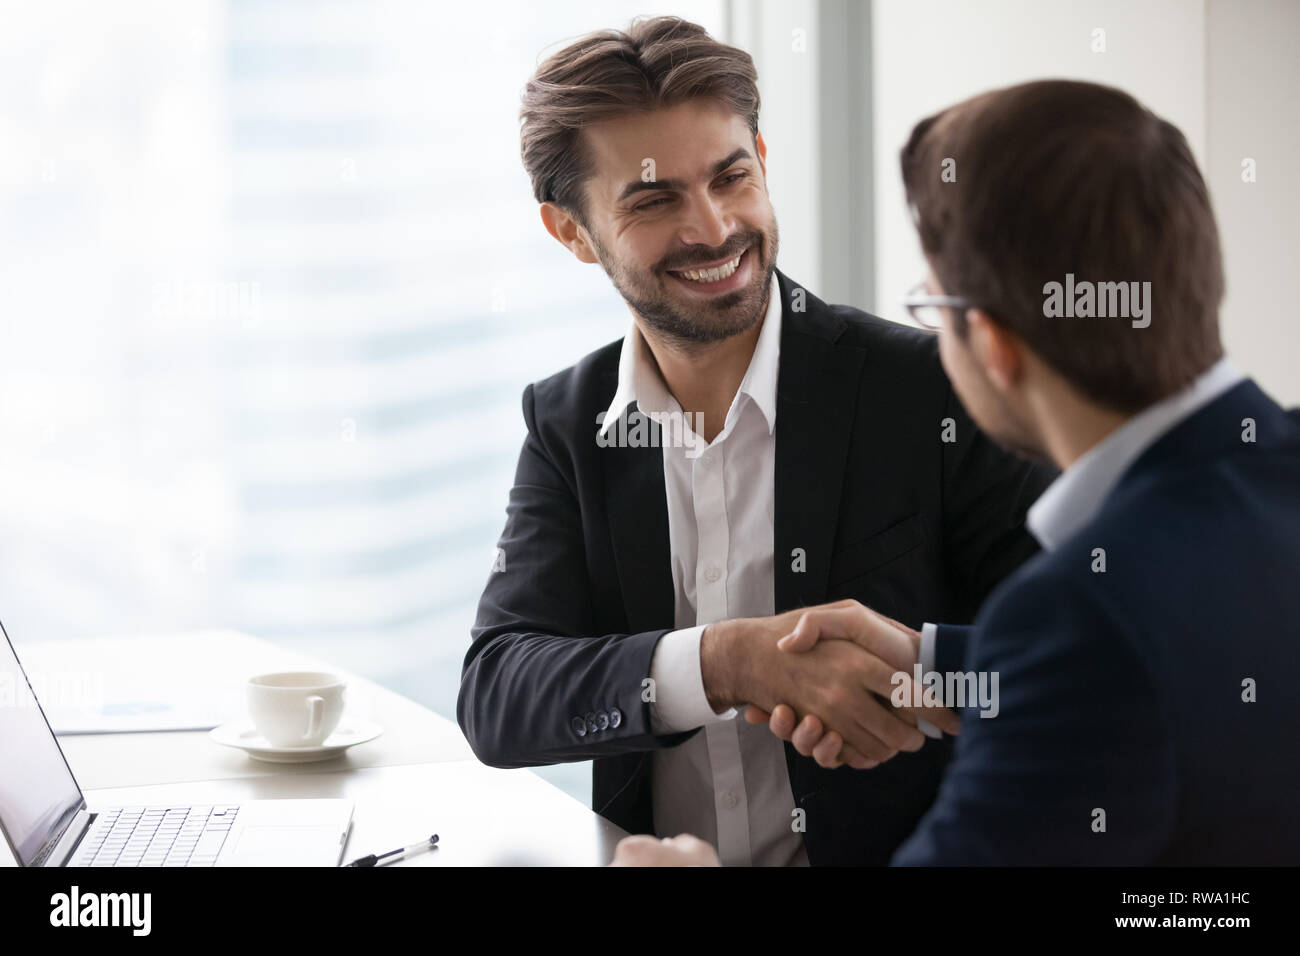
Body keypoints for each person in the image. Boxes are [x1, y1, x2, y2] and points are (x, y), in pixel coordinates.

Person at [614, 78, 1300, 866]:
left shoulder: (1079, 610)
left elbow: (1105, 657)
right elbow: (1186, 659)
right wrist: (938, 664)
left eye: (933, 308)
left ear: (997, 347)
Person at [457, 17, 1051, 867]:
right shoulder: (566, 422)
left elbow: (1069, 670)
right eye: (655, 199)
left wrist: (919, 682)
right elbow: (499, 695)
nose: (713, 228)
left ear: (763, 161)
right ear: (573, 233)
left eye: (731, 177)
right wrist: (726, 662)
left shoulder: (931, 389)